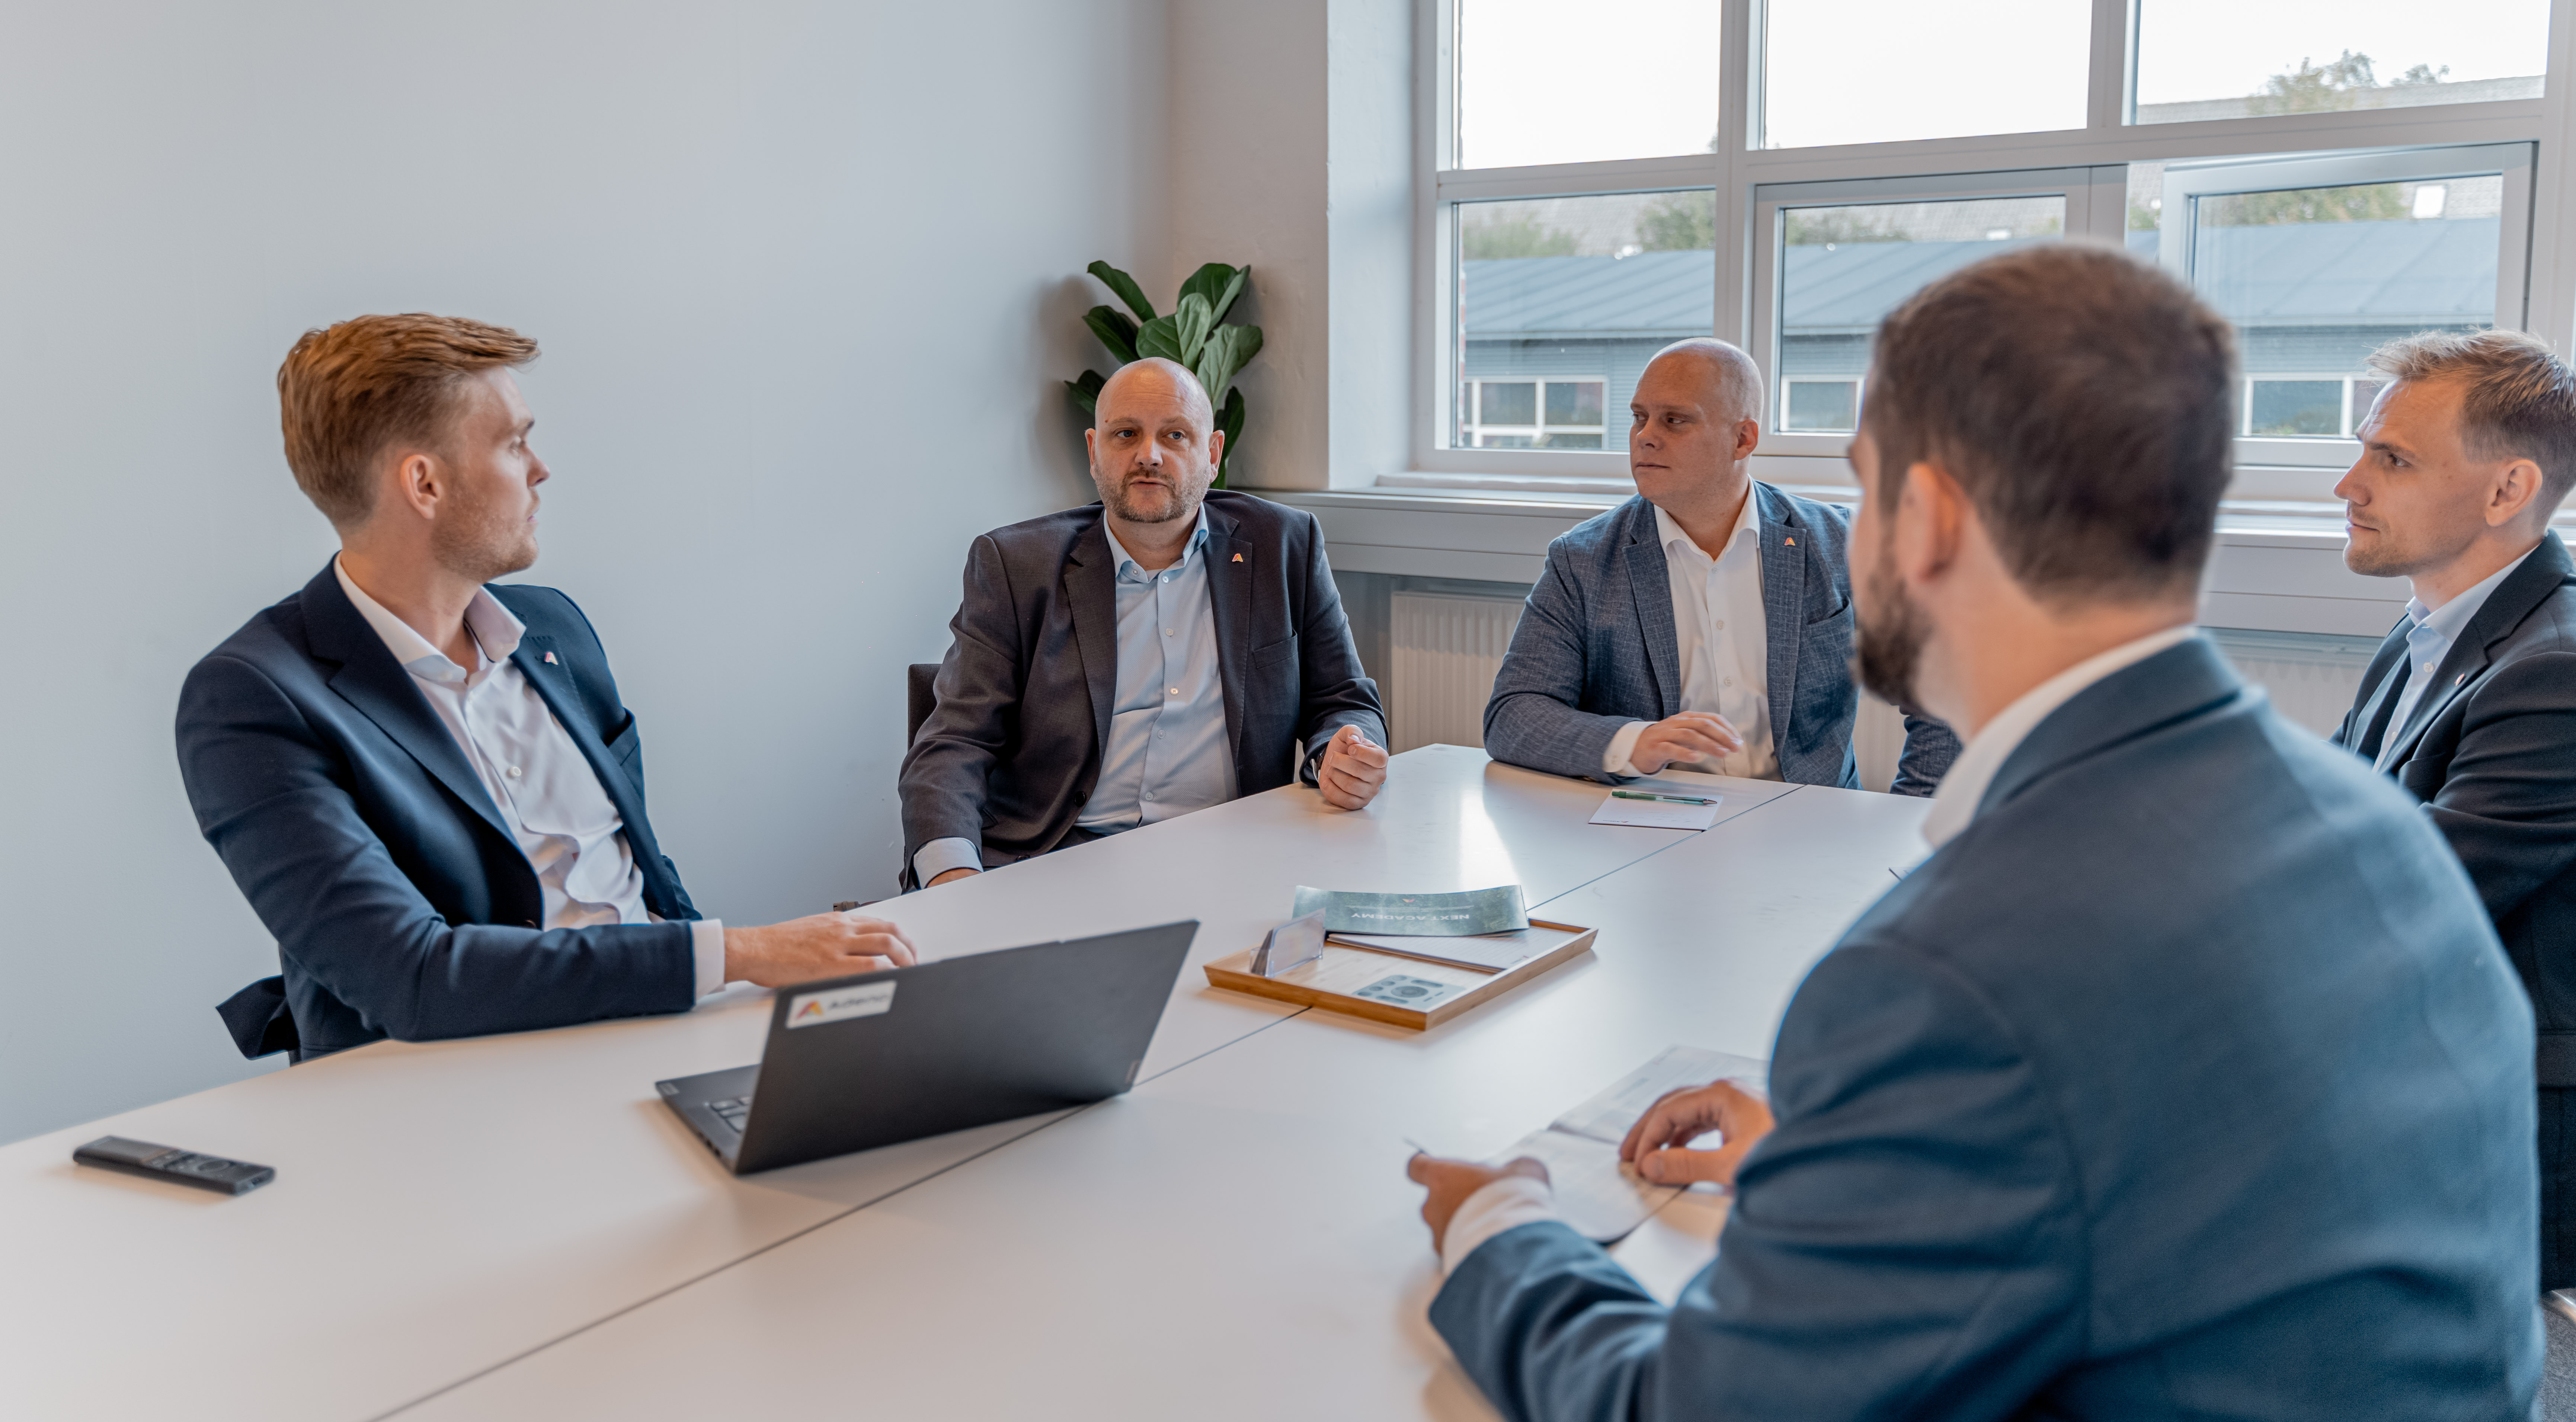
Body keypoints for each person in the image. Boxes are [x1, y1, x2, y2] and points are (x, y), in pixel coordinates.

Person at [1407, 246, 2538, 1417]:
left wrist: (1500, 1226)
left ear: (1928, 516)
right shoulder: (2375, 827)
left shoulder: (1946, 974)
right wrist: (1869, 1165)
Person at [182, 314, 916, 1061]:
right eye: (513, 442)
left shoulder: (555, 629)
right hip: (455, 1092)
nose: (540, 469)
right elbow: (412, 978)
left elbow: (643, 880)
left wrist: (741, 1005)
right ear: (424, 483)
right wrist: (741, 954)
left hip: (668, 1035)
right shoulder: (253, 699)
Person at [899, 358, 1387, 889]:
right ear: (1094, 452)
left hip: (1234, 859)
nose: (1148, 456)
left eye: (1174, 435)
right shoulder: (1016, 565)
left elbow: (1344, 698)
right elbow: (953, 745)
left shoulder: (1283, 545)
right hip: (1057, 862)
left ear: (1213, 453)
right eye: (1125, 434)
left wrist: (1341, 754)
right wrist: (953, 879)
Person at [2326, 328, 2576, 1290]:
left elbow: (2398, 893)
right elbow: (2344, 810)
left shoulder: (2553, 670)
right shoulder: (2428, 627)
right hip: (2417, 1030)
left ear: (2507, 490)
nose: (2348, 484)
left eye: (2390, 459)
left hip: (2509, 1094)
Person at [1481, 338, 1958, 794]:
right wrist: (1632, 743)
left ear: (1742, 439)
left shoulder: (1841, 544)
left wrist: (1908, 816)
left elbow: (1943, 697)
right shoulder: (1582, 559)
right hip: (1646, 818)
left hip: (1809, 819)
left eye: (1674, 421)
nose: (1645, 438)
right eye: (1639, 418)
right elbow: (1513, 714)